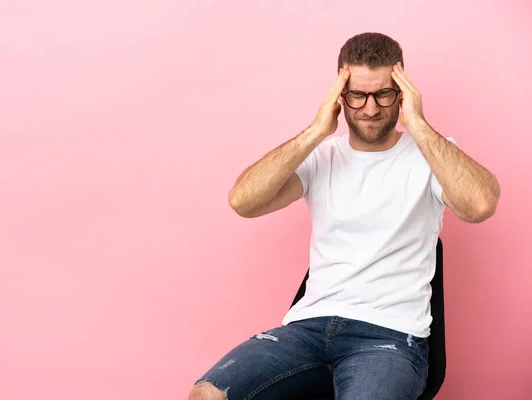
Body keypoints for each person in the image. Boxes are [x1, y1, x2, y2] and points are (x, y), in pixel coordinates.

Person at [188, 32, 500, 400]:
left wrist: (418, 125)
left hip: (389, 336)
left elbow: (480, 205)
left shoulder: (432, 155)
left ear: (403, 92)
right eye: (357, 95)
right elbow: (243, 201)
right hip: (307, 329)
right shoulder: (322, 157)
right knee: (208, 394)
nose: (370, 109)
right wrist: (317, 131)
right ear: (340, 95)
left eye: (384, 93)